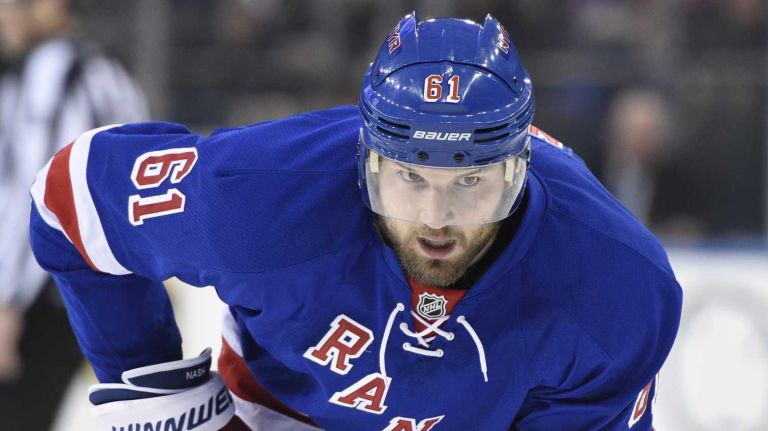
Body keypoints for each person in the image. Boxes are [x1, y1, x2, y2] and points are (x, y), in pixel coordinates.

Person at [28, 13, 682, 430]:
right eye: (409, 177)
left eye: (470, 183)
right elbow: (67, 197)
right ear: (367, 162)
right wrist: (151, 385)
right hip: (277, 411)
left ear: (519, 171)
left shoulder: (615, 285)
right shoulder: (263, 196)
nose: (435, 217)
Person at [0, 0, 147, 427]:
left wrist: (7, 302)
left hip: (48, 294)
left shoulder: (55, 72)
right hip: (106, 286)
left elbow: (37, 196)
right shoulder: (108, 70)